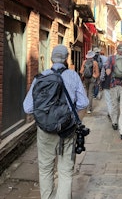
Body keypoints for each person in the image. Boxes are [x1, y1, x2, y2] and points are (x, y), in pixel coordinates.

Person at [23, 44, 89, 199]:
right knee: (65, 170)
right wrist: (69, 114)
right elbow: (84, 102)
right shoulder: (72, 76)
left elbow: (27, 108)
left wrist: (46, 114)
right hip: (67, 129)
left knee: (45, 168)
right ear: (66, 58)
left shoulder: (41, 77)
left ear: (52, 59)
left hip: (45, 130)